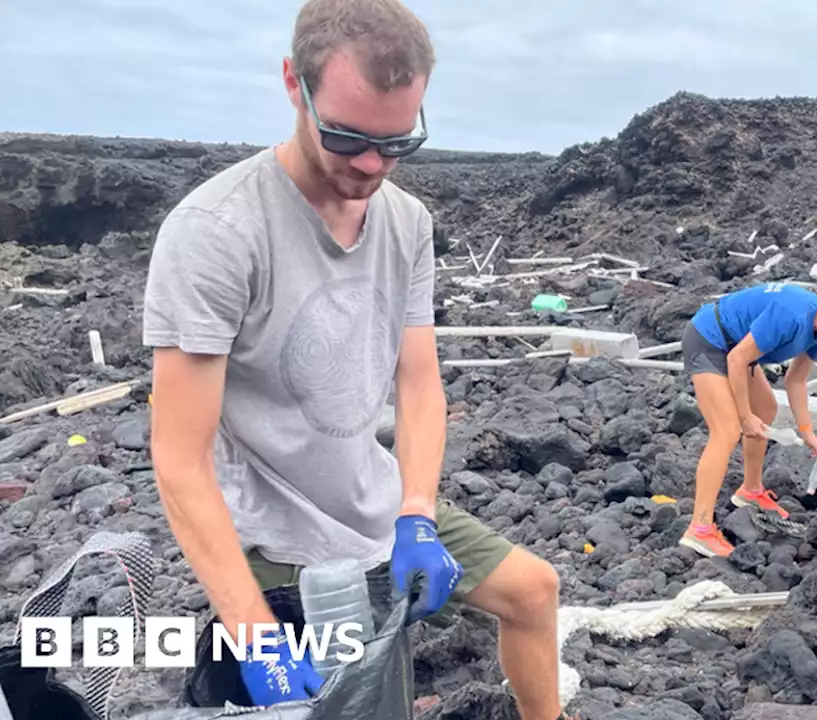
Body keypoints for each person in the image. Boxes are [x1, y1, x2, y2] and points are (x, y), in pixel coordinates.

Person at [141, 1, 564, 718]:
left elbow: (420, 386)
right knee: (368, 701)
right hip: (273, 534)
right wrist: (254, 633)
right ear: (292, 84)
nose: (372, 165)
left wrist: (419, 516)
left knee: (534, 590)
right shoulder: (216, 233)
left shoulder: (406, 222)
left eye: (397, 143)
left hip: (372, 501)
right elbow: (179, 460)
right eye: (346, 137)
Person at [677, 279, 817, 558]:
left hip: (736, 349)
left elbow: (795, 380)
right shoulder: (793, 315)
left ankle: (750, 490)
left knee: (767, 409)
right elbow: (737, 359)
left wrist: (807, 432)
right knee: (726, 431)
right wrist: (745, 415)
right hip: (709, 340)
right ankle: (699, 529)